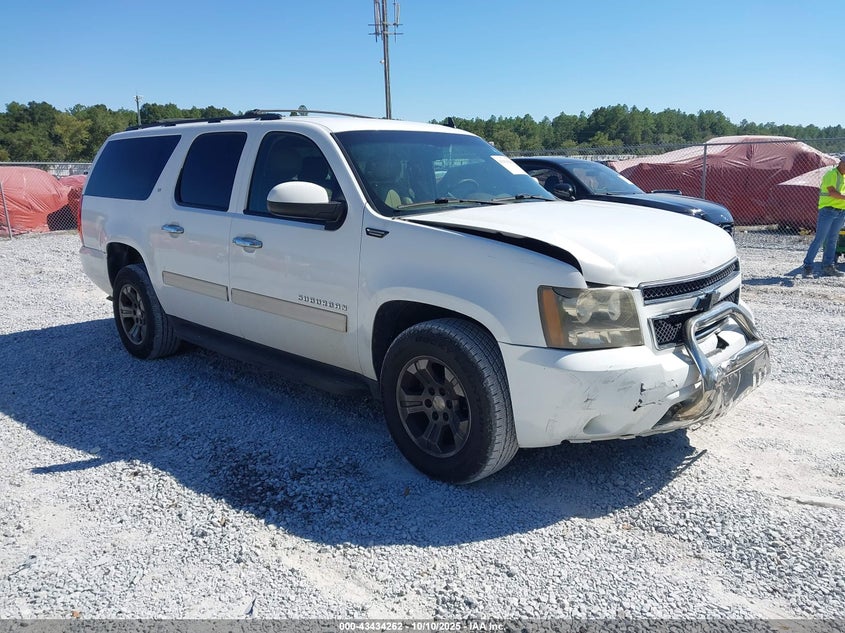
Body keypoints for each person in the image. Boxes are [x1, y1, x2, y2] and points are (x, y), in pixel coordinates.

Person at [803, 157, 845, 277]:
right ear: (842, 163)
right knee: (820, 239)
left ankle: (828, 266)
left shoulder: (843, 177)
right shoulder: (831, 174)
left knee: (833, 240)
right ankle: (808, 266)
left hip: (841, 212)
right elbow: (832, 193)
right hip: (828, 211)